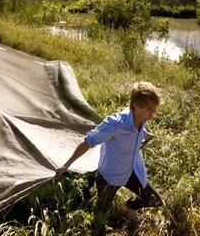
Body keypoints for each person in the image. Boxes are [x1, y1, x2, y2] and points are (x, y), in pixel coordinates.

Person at [55, 81, 164, 235]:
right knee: (100, 218)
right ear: (136, 105)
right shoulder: (115, 124)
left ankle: (131, 206)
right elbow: (88, 141)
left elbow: (138, 131)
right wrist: (66, 165)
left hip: (131, 171)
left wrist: (146, 135)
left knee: (155, 200)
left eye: (154, 108)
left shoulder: (142, 120)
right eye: (150, 109)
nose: (153, 112)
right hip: (109, 178)